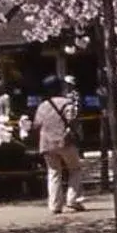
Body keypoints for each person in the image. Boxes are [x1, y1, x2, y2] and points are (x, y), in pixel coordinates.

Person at [31, 76, 86, 214]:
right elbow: (73, 120)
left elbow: (36, 124)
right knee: (75, 169)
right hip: (65, 142)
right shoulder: (67, 103)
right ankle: (73, 200)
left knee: (54, 172)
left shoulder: (42, 106)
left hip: (47, 144)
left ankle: (55, 205)